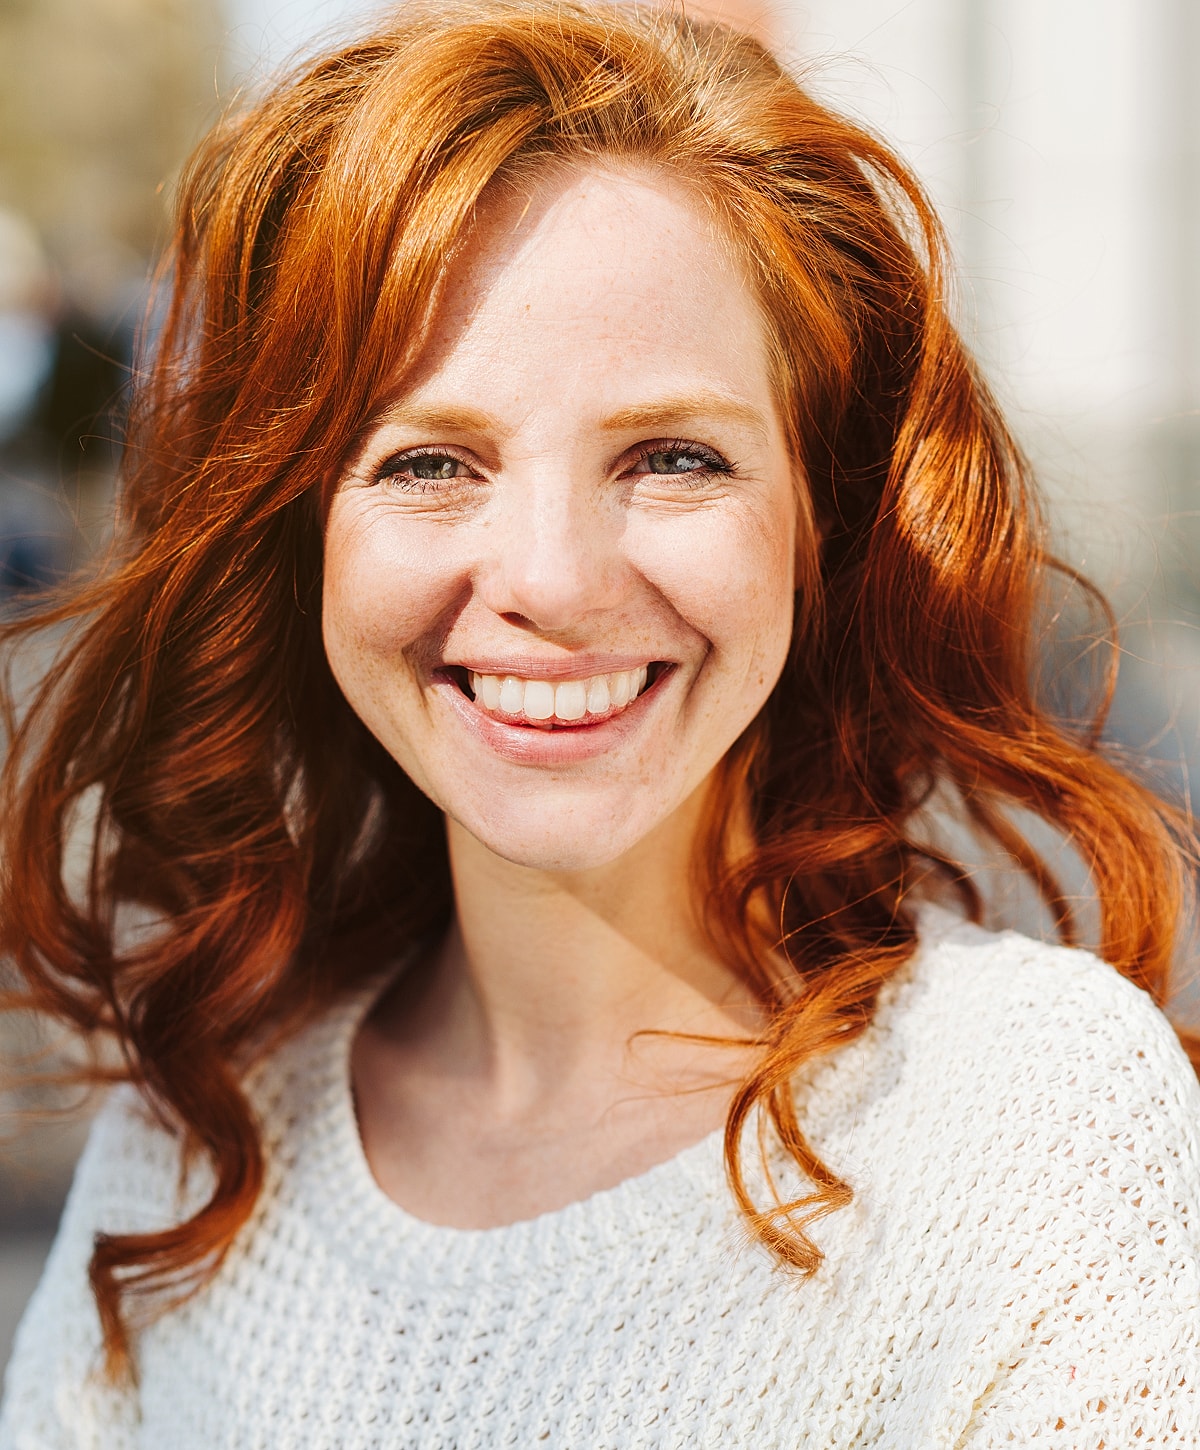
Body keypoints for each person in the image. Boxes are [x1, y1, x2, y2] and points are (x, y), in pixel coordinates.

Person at [1, 1, 1198, 1443]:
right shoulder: (196, 1143)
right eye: (430, 462)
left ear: (818, 513)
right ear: (302, 533)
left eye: (674, 457)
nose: (555, 581)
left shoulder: (1030, 1124)